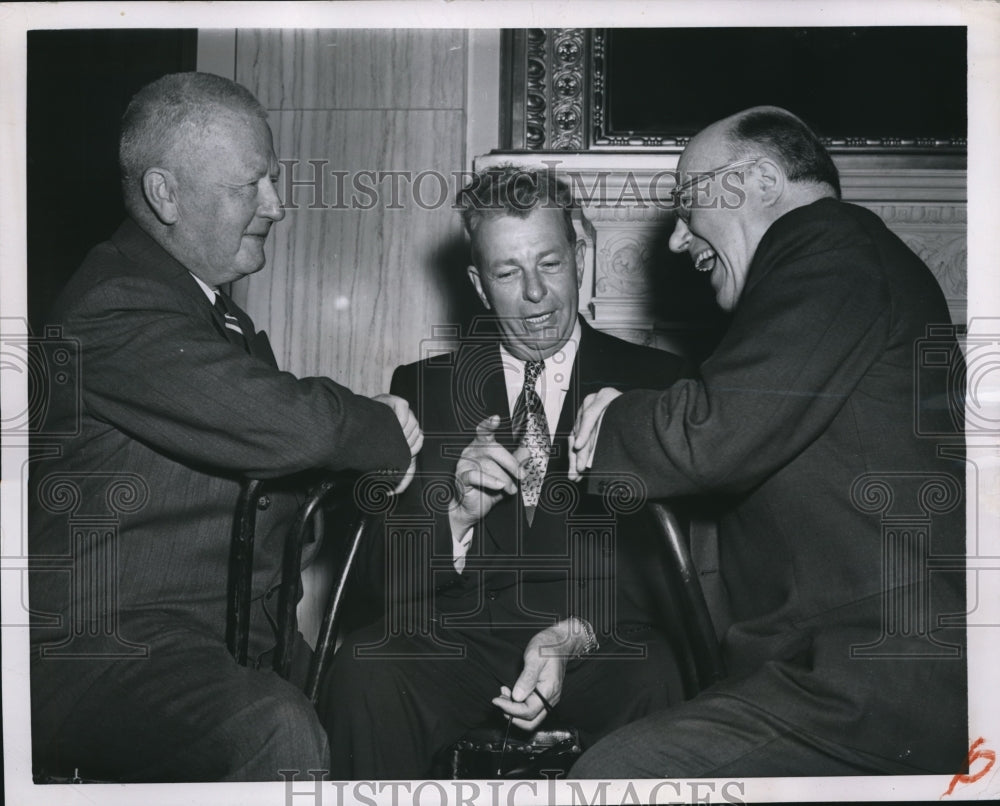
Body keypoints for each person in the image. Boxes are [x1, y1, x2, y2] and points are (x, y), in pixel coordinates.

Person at [28, 72, 422, 783]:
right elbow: (294, 428)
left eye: (274, 178)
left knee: (380, 694)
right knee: (271, 729)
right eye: (252, 186)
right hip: (108, 652)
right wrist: (383, 429)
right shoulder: (114, 302)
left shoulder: (211, 314)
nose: (278, 204)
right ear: (165, 195)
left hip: (227, 644)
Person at [568, 106, 967, 777]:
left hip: (873, 681)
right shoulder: (836, 265)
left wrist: (613, 420)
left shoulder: (830, 248)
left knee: (618, 776)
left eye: (687, 202)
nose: (675, 240)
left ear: (757, 180)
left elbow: (710, 434)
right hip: (846, 669)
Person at [318, 166, 690, 779]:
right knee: (364, 667)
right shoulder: (422, 388)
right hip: (462, 641)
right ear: (479, 285)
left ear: (580, 255)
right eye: (508, 273)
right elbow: (375, 586)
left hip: (599, 639)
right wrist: (456, 515)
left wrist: (572, 635)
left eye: (549, 263)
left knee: (656, 672)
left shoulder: (657, 384)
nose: (536, 294)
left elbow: (672, 579)